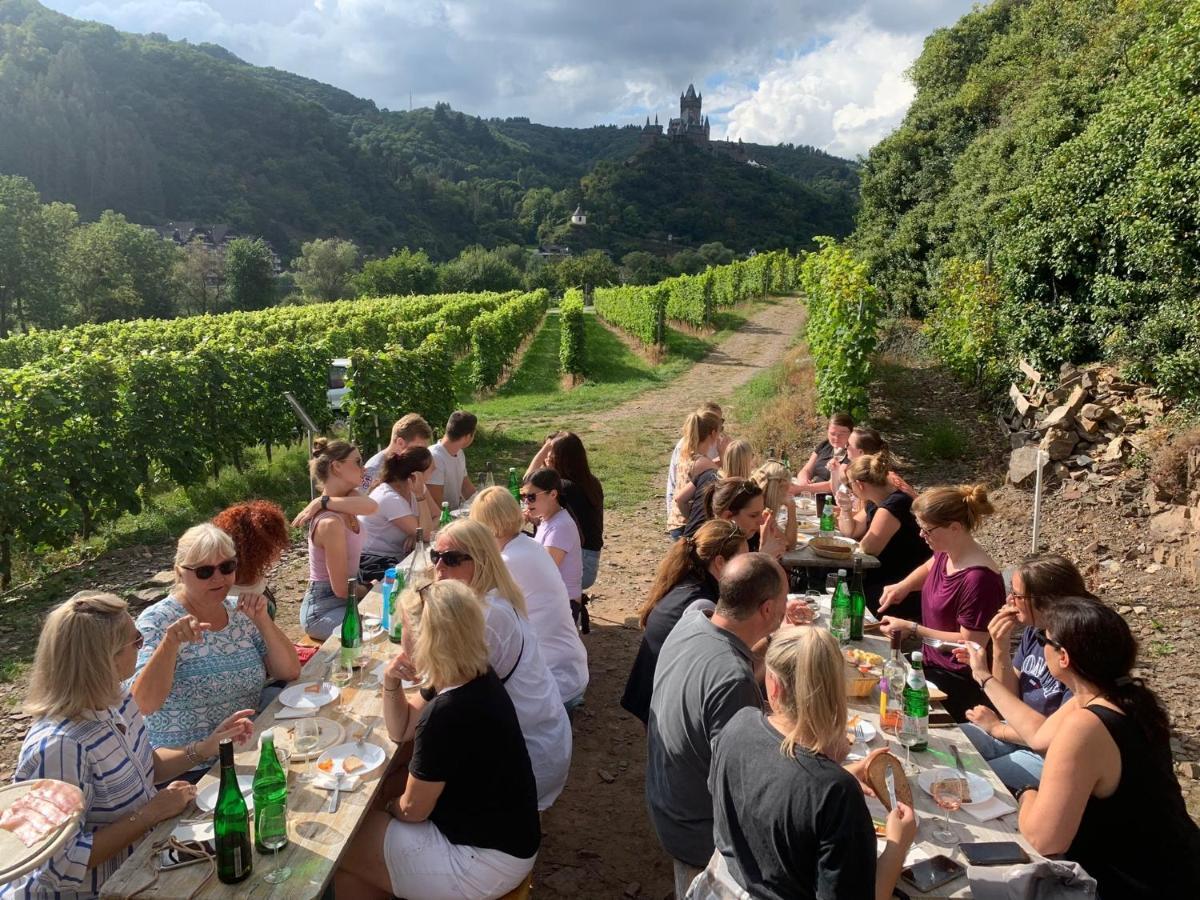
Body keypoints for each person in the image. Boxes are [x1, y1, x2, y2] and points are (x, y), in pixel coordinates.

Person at [1, 593, 253, 900]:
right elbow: (59, 865)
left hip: (139, 867)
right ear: (103, 659)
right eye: (136, 641)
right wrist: (149, 814)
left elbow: (148, 766)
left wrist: (204, 747)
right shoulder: (58, 748)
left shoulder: (118, 699)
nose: (143, 646)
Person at [334, 580, 539, 900]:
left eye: (404, 629)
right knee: (367, 844)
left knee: (344, 845)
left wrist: (386, 806)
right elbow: (400, 729)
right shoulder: (469, 672)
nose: (401, 637)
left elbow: (413, 809)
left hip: (481, 862)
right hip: (510, 839)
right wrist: (391, 681)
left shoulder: (446, 713)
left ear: (423, 639)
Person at [702, 625, 916, 900]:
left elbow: (775, 782)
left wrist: (842, 772)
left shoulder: (738, 724)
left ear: (774, 685)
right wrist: (898, 844)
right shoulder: (836, 794)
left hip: (722, 887)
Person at [1010, 596, 1200, 898]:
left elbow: (1044, 839)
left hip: (1138, 883)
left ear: (1064, 657)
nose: (1038, 644)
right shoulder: (1126, 697)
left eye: (1042, 639)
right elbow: (1038, 735)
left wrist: (1025, 793)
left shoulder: (1086, 725)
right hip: (1178, 865)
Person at [646, 553, 787, 897]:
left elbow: (727, 663)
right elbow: (743, 790)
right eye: (784, 600)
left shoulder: (695, 618)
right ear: (767, 609)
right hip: (695, 829)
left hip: (664, 797)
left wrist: (773, 641)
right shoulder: (735, 682)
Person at [130, 524, 299, 773]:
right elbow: (142, 704)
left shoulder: (239, 611)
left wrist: (263, 621)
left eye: (227, 567)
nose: (218, 578)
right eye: (204, 571)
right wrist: (170, 645)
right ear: (179, 573)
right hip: (188, 767)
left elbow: (289, 671)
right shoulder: (157, 621)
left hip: (246, 750)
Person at [428, 520, 572, 810]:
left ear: (480, 561)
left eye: (452, 559)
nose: (439, 568)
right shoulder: (491, 597)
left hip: (529, 757)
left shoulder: (488, 616)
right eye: (435, 556)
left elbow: (443, 693)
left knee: (421, 748)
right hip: (540, 738)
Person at [955, 555, 1094, 792]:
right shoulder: (1035, 630)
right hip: (1015, 729)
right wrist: (999, 646)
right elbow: (1010, 698)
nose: (1009, 600)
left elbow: (1051, 737)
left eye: (1018, 595)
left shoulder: (1078, 648)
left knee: (972, 783)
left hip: (1049, 754)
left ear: (1047, 602)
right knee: (950, 748)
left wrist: (996, 726)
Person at [878, 485, 1005, 721]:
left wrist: (912, 629)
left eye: (927, 531)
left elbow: (972, 644)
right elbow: (931, 566)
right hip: (929, 664)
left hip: (958, 681)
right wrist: (903, 586)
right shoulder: (947, 550)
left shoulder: (979, 579)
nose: (921, 536)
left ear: (955, 528)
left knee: (884, 699)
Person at [470, 486, 588, 709]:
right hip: (569, 663)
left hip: (554, 679)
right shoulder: (529, 545)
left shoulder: (509, 561)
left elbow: (475, 607)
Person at [621, 519, 748, 725]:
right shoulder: (701, 607)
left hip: (650, 694)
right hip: (664, 706)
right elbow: (721, 664)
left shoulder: (687, 578)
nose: (747, 567)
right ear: (720, 563)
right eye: (743, 561)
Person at [834, 453, 930, 620]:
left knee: (843, 592)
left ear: (860, 485)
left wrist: (857, 543)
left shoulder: (895, 504)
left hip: (901, 587)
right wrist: (846, 509)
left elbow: (869, 548)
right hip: (888, 578)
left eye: (850, 486)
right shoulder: (876, 501)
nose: (851, 490)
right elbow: (851, 530)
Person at [300, 437, 374, 640]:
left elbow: (372, 507)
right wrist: (370, 589)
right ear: (337, 466)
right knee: (368, 634)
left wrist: (322, 501)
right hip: (324, 608)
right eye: (358, 462)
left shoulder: (350, 496)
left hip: (349, 596)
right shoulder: (330, 523)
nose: (364, 468)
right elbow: (341, 589)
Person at [525, 431, 605, 593]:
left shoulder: (565, 487)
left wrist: (545, 448)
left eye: (550, 453)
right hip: (589, 559)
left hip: (583, 565)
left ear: (563, 457)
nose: (546, 458)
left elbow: (528, 480)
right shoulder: (590, 481)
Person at [357, 446, 437, 583]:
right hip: (374, 563)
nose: (435, 471)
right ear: (415, 475)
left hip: (397, 559)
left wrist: (415, 534)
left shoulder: (417, 487)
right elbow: (427, 534)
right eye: (431, 469)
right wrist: (419, 498)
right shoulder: (389, 498)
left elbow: (438, 516)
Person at [522, 467, 585, 626]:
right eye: (523, 496)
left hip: (563, 605)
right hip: (553, 598)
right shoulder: (548, 519)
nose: (526, 502)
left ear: (553, 494)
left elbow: (544, 571)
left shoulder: (559, 527)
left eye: (531, 497)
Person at [211, 499, 291, 616]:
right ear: (255, 548)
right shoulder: (232, 598)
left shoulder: (252, 574)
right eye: (274, 542)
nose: (279, 547)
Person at [676, 439, 756, 538]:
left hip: (688, 538)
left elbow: (679, 499)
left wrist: (692, 520)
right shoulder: (742, 491)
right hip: (707, 544)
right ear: (747, 461)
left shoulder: (708, 474)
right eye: (753, 456)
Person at [665, 403, 725, 533]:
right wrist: (723, 453)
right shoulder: (703, 463)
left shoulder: (688, 455)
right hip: (686, 526)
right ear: (714, 433)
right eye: (720, 431)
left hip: (676, 522)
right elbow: (723, 477)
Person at [828, 425, 916, 500]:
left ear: (861, 452)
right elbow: (840, 497)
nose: (845, 447)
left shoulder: (874, 478)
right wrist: (835, 473)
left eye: (848, 444)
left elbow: (866, 514)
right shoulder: (855, 470)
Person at [706, 477, 786, 559]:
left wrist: (765, 540)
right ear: (727, 516)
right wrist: (764, 557)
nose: (762, 522)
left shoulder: (746, 538)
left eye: (761, 513)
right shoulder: (713, 551)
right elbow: (742, 571)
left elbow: (787, 544)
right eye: (753, 515)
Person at [362, 412, 433, 488]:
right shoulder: (373, 470)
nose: (422, 454)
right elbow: (362, 498)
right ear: (400, 443)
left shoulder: (409, 469)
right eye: (418, 449)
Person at [790, 413, 853, 497]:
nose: (837, 438)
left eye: (842, 434)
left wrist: (802, 488)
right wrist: (803, 483)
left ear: (851, 433)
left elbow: (834, 485)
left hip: (830, 499)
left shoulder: (851, 453)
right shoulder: (825, 445)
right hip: (810, 494)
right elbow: (806, 470)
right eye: (833, 434)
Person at [428, 410, 478, 509]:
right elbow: (435, 503)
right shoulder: (434, 457)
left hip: (454, 514)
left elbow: (466, 488)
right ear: (468, 437)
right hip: (442, 519)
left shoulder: (459, 453)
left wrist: (486, 502)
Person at [751, 461, 797, 552]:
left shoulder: (755, 503)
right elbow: (789, 545)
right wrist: (792, 507)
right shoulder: (761, 514)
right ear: (780, 488)